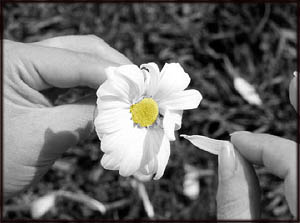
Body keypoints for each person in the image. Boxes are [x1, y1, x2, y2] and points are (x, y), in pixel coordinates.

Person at [4, 35, 298, 219]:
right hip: (132, 104)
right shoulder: (141, 109)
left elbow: (169, 106)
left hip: (138, 104)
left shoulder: (153, 112)